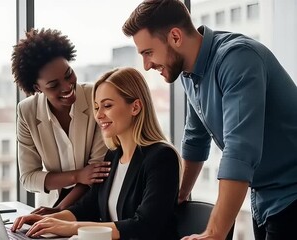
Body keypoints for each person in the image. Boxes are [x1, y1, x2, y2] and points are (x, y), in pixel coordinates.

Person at [122, 0, 297, 239]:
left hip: (291, 193)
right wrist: (179, 194)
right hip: (265, 198)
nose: (146, 65)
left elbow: (240, 150)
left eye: (148, 53)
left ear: (175, 36)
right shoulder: (187, 72)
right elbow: (195, 139)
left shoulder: (237, 58)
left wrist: (214, 233)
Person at [11, 67, 181, 240]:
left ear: (135, 107)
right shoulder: (113, 156)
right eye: (96, 107)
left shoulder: (162, 158)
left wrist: (71, 228)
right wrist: (46, 220)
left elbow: (144, 225)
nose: (98, 115)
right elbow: (87, 207)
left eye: (107, 106)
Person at [11, 28, 109, 214]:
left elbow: (97, 172)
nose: (67, 86)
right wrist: (77, 176)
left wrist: (59, 211)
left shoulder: (96, 97)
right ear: (37, 88)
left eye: (68, 74)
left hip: (91, 207)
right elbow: (29, 177)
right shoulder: (27, 112)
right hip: (48, 208)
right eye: (54, 85)